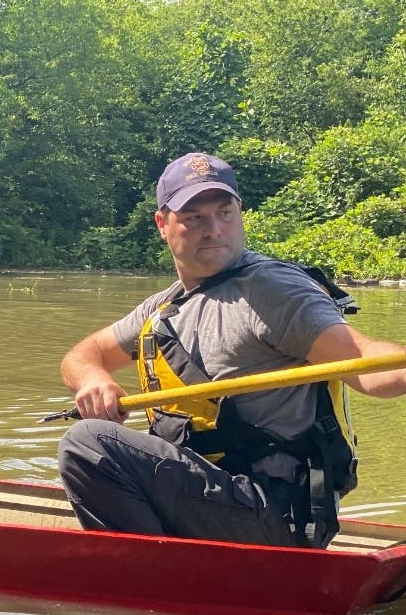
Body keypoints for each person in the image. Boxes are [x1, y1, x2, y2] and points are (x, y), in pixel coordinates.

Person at [57, 151, 406, 548]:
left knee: (89, 443)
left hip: (276, 514)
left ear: (240, 213)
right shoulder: (165, 307)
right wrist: (94, 379)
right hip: (218, 500)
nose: (214, 230)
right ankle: (162, 576)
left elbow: (362, 359)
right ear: (162, 224)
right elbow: (84, 354)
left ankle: (153, 580)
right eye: (195, 218)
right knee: (95, 445)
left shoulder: (274, 291)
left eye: (224, 212)